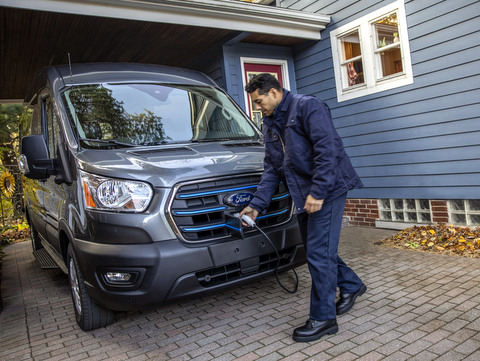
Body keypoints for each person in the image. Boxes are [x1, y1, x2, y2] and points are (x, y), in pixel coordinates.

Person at [240, 73, 366, 342]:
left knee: (320, 254)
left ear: (274, 92)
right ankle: (352, 285)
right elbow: (272, 169)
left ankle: (323, 319)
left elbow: (327, 150)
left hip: (328, 189)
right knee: (316, 251)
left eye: (259, 101)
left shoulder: (308, 106)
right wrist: (255, 206)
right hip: (304, 195)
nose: (258, 107)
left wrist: (318, 192)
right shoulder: (270, 123)